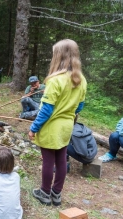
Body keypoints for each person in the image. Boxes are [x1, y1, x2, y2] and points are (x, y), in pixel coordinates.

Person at [28, 39, 87, 206]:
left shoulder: (55, 80)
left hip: (51, 127)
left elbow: (46, 110)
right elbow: (79, 106)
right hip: (67, 126)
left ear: (58, 57)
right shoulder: (81, 79)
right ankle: (57, 193)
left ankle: (45, 193)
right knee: (62, 159)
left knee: (48, 161)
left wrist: (33, 128)